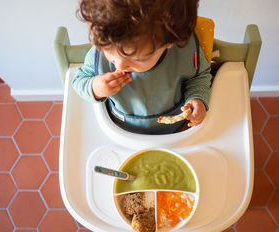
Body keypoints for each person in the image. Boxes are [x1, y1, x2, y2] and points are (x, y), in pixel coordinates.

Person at [72, 0, 212, 134]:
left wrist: (197, 98)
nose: (120, 65)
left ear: (170, 41)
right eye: (110, 53)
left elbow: (199, 76)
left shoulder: (183, 51)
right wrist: (95, 88)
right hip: (120, 131)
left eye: (137, 59)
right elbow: (78, 81)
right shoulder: (99, 54)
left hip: (176, 130)